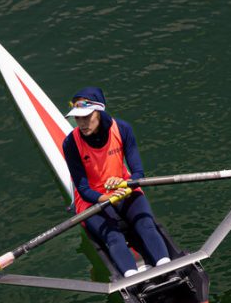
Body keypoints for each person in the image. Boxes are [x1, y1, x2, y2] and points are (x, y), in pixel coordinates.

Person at [62, 87, 170, 278]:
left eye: (87, 117)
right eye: (78, 118)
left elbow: (138, 173)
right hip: (91, 199)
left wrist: (124, 184)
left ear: (100, 111)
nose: (82, 123)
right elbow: (83, 188)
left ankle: (169, 270)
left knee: (145, 224)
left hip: (124, 188)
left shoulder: (122, 128)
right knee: (113, 236)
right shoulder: (71, 144)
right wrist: (106, 197)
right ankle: (133, 280)